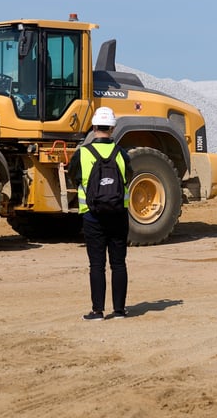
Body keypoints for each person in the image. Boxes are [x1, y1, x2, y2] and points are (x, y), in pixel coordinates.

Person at [68, 106, 131, 320]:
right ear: (112, 128)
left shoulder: (82, 154)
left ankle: (97, 311)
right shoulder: (122, 154)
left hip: (92, 216)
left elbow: (73, 177)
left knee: (97, 265)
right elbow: (128, 179)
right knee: (119, 263)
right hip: (118, 216)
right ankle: (120, 310)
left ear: (94, 127)